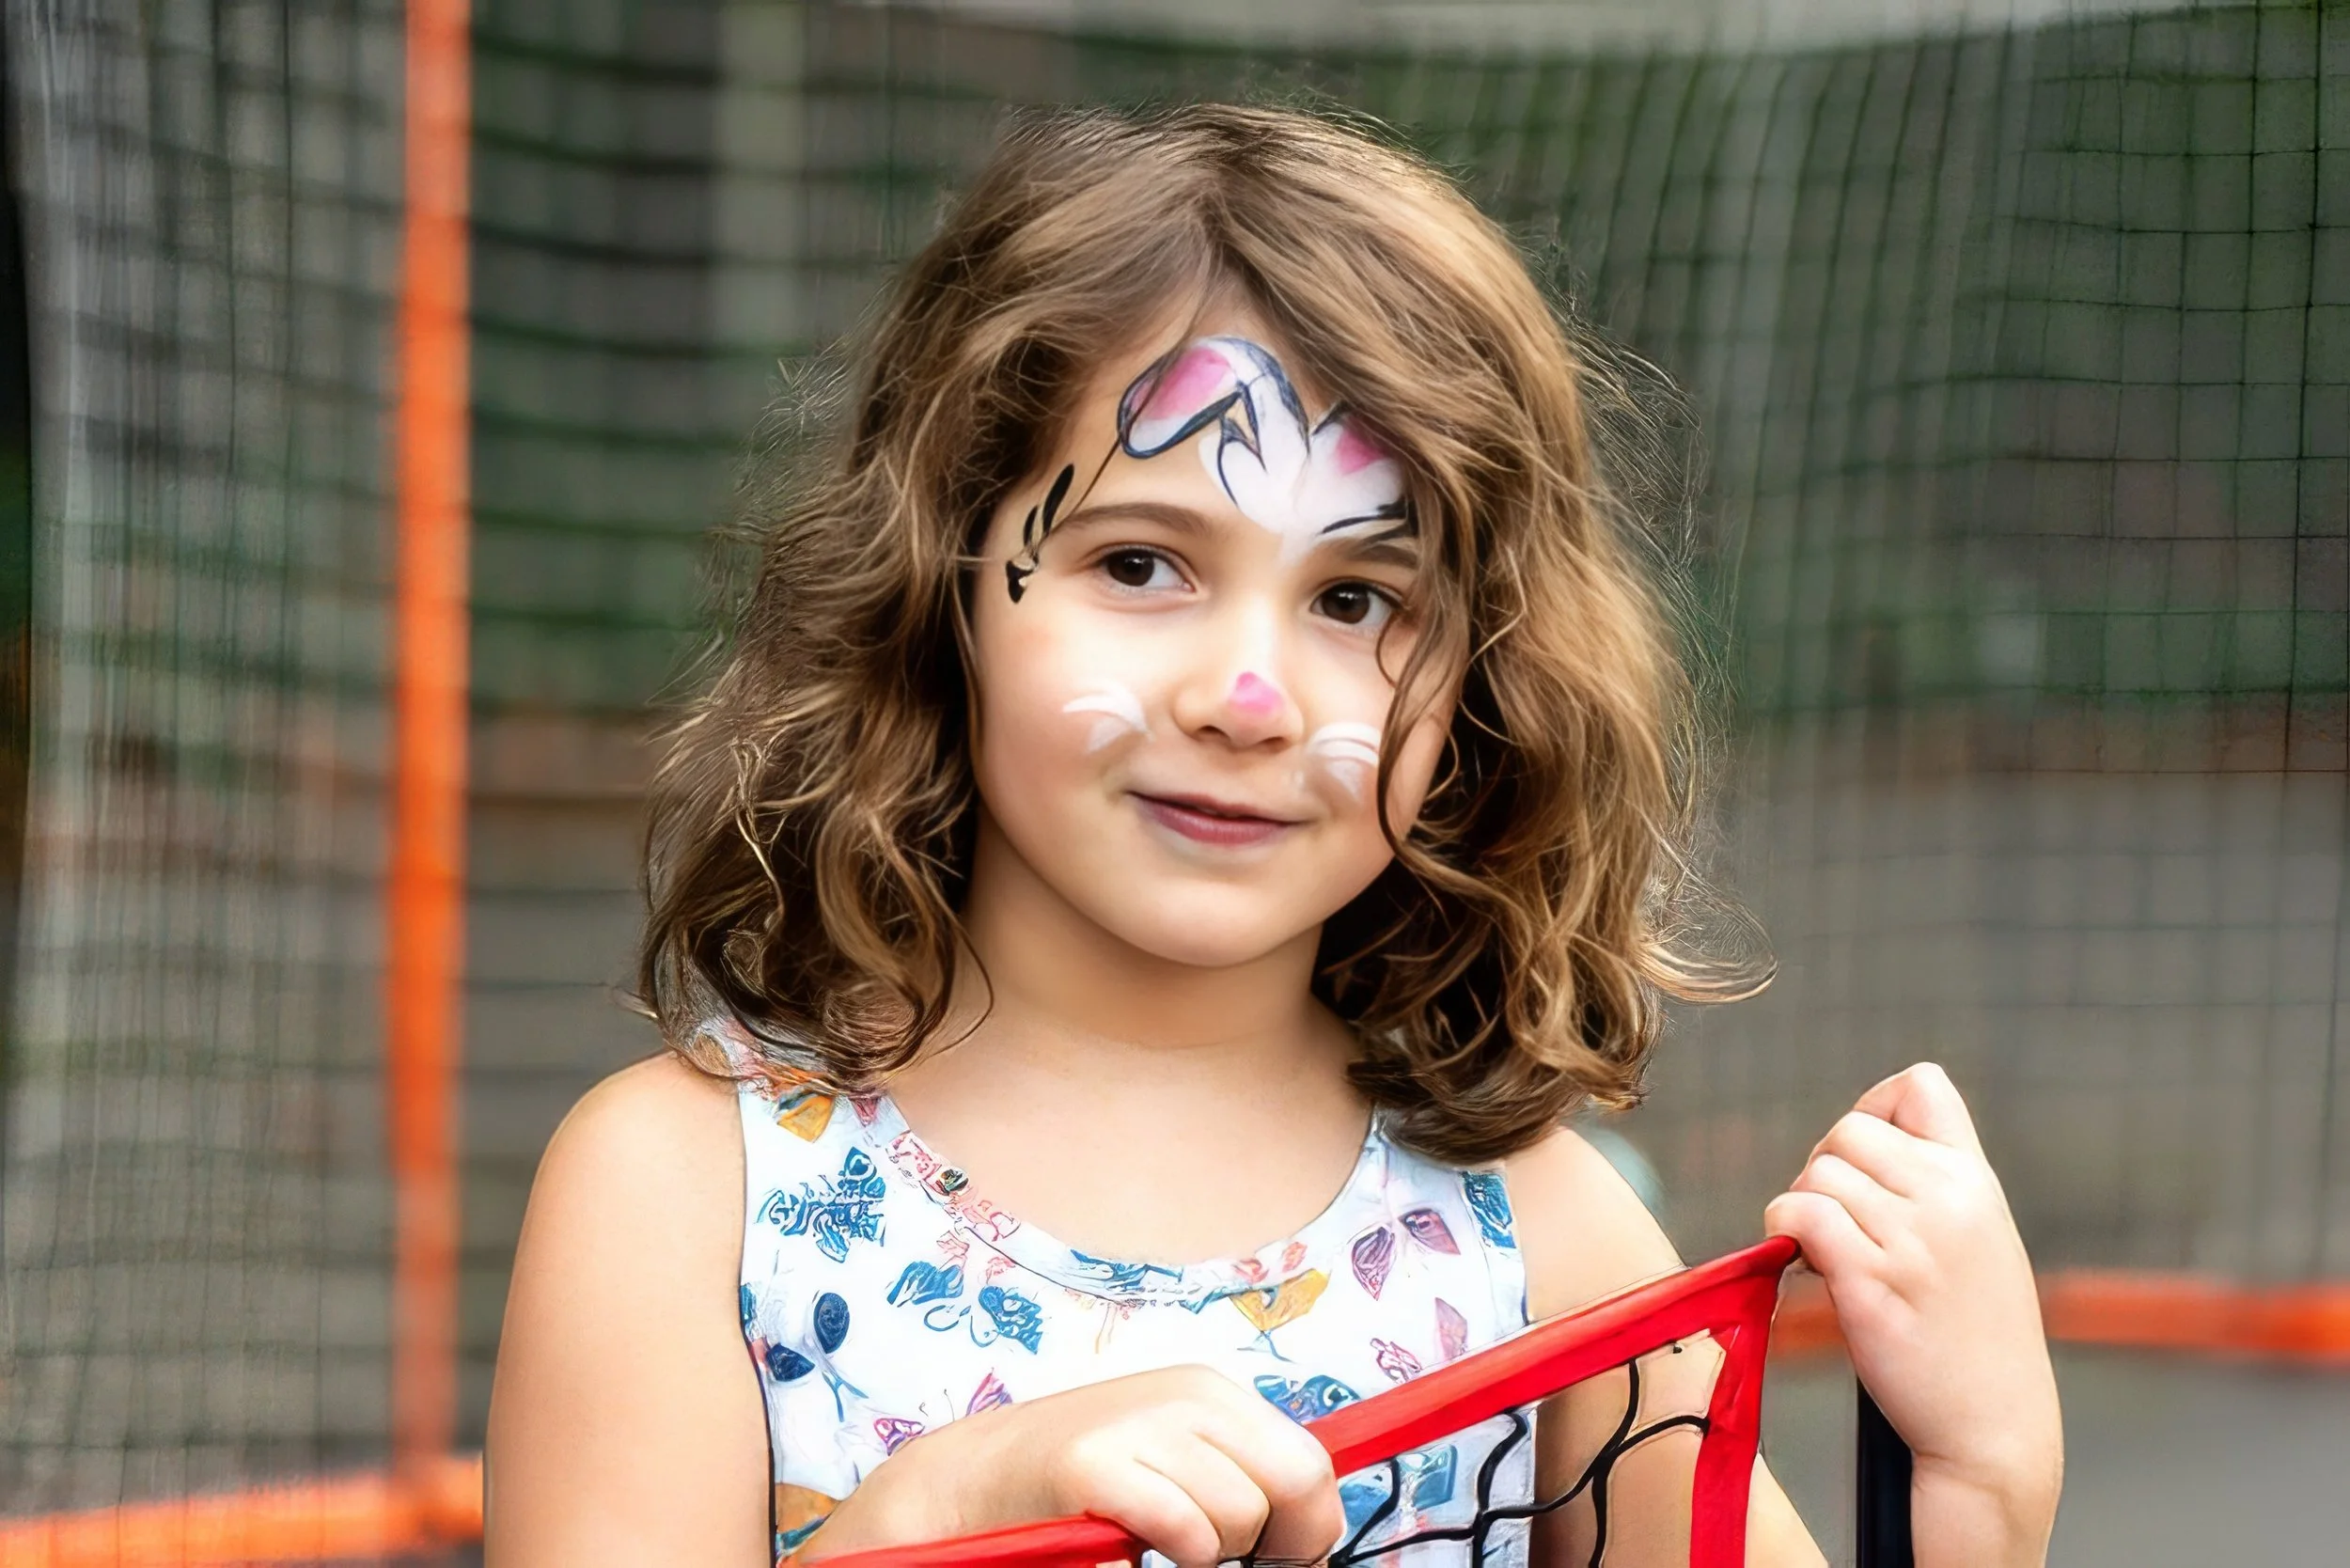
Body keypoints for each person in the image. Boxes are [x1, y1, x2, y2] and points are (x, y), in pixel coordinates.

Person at [484, 103, 2061, 1568]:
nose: (1249, 697)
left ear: (1483, 686)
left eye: (1359, 602)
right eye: (1142, 563)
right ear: (945, 578)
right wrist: (944, 1512)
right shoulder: (687, 1195)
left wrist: (1983, 1487)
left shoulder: (1546, 1240)